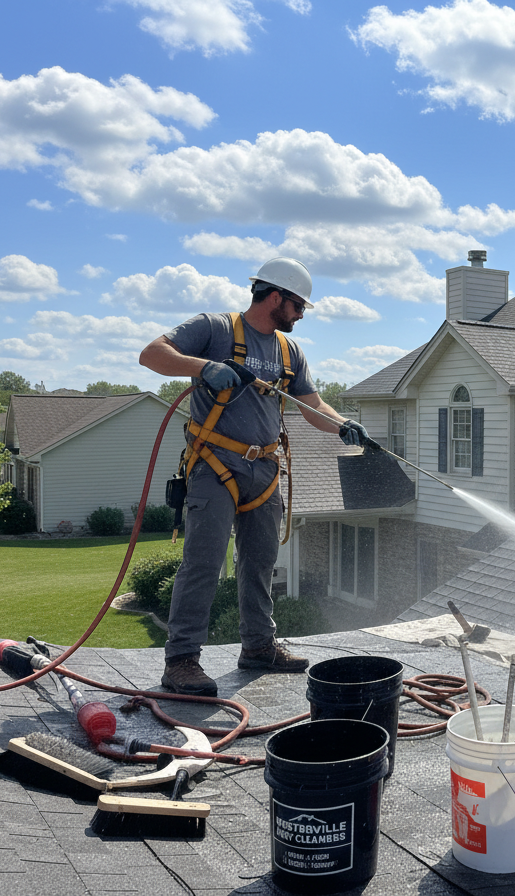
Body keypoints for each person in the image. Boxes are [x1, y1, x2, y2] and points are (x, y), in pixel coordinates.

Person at [139, 257, 369, 696]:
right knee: (204, 563)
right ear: (276, 296)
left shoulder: (288, 351)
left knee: (261, 562)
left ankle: (259, 647)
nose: (301, 315)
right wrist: (203, 366)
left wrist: (343, 424)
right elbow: (152, 355)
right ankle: (182, 660)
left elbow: (313, 406)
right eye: (298, 306)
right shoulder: (215, 328)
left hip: (264, 468)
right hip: (215, 466)